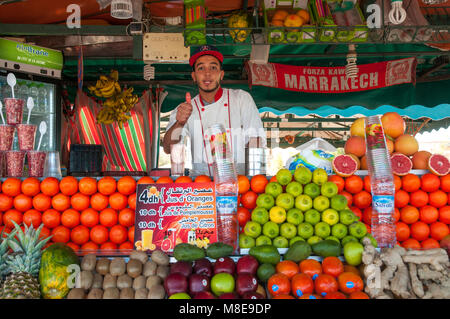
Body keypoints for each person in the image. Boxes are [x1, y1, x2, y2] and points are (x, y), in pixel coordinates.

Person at [163, 45, 266, 176]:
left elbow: (255, 140)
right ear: (194, 76)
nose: (207, 73)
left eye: (213, 67)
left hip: (239, 182)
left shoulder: (241, 98)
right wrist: (180, 123)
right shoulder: (184, 109)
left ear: (221, 74)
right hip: (202, 186)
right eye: (201, 68)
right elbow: (167, 148)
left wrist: (254, 181)